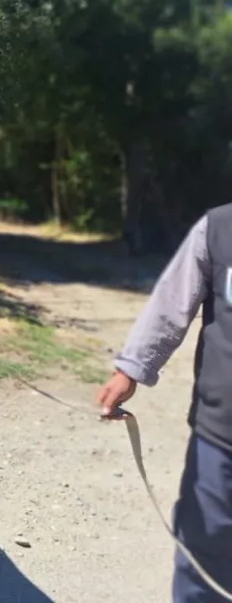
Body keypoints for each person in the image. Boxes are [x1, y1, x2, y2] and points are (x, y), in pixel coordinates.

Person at [96, 204, 232, 602]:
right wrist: (131, 369)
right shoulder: (220, 228)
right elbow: (171, 305)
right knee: (203, 550)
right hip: (221, 435)